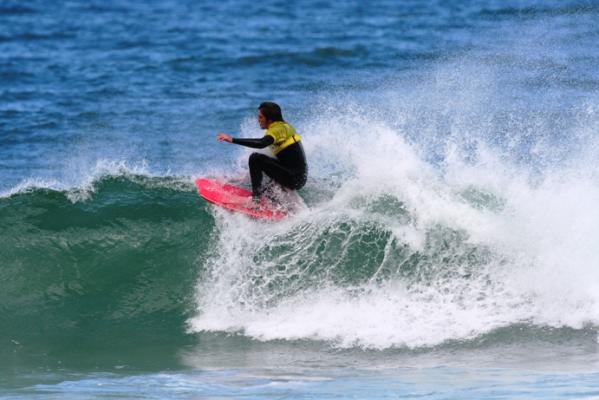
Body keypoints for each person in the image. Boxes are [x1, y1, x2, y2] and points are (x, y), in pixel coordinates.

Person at [216, 102, 308, 202]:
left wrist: (232, 139)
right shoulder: (284, 126)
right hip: (298, 176)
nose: (258, 120)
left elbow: (261, 143)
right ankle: (274, 199)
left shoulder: (277, 130)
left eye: (261, 117)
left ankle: (256, 200)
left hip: (294, 178)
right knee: (267, 164)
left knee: (255, 158)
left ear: (270, 119)